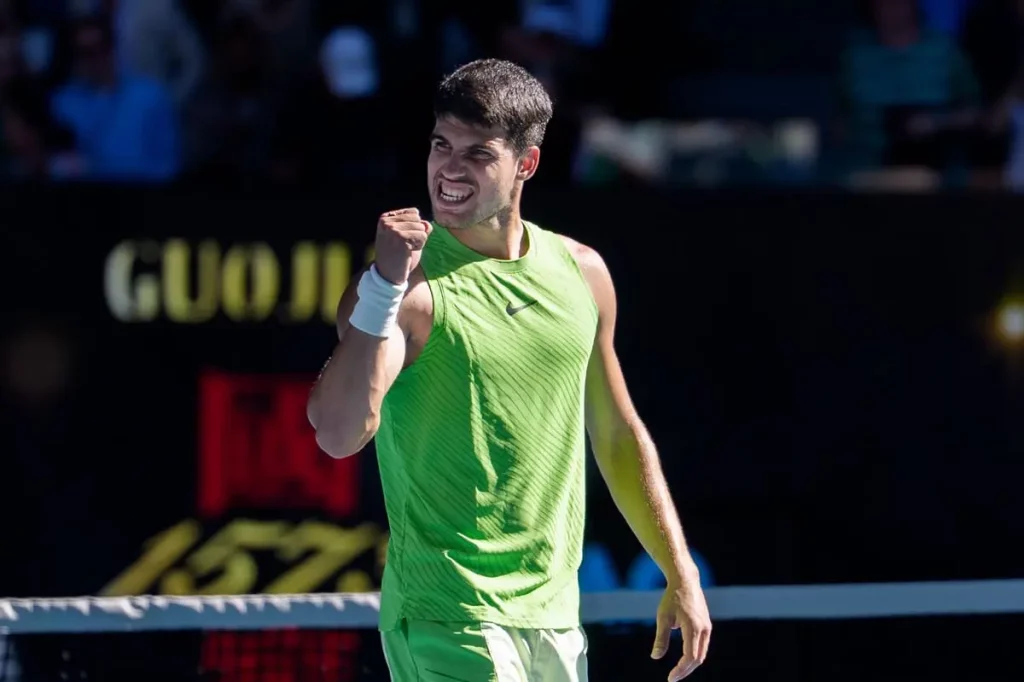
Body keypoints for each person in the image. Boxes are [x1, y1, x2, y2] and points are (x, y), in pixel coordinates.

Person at [307, 58, 711, 682]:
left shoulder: (583, 273)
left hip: (553, 617)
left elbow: (615, 433)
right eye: (442, 145)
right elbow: (337, 435)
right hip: (448, 614)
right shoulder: (406, 291)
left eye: (477, 153)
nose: (450, 169)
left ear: (526, 164)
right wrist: (385, 283)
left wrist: (677, 565)